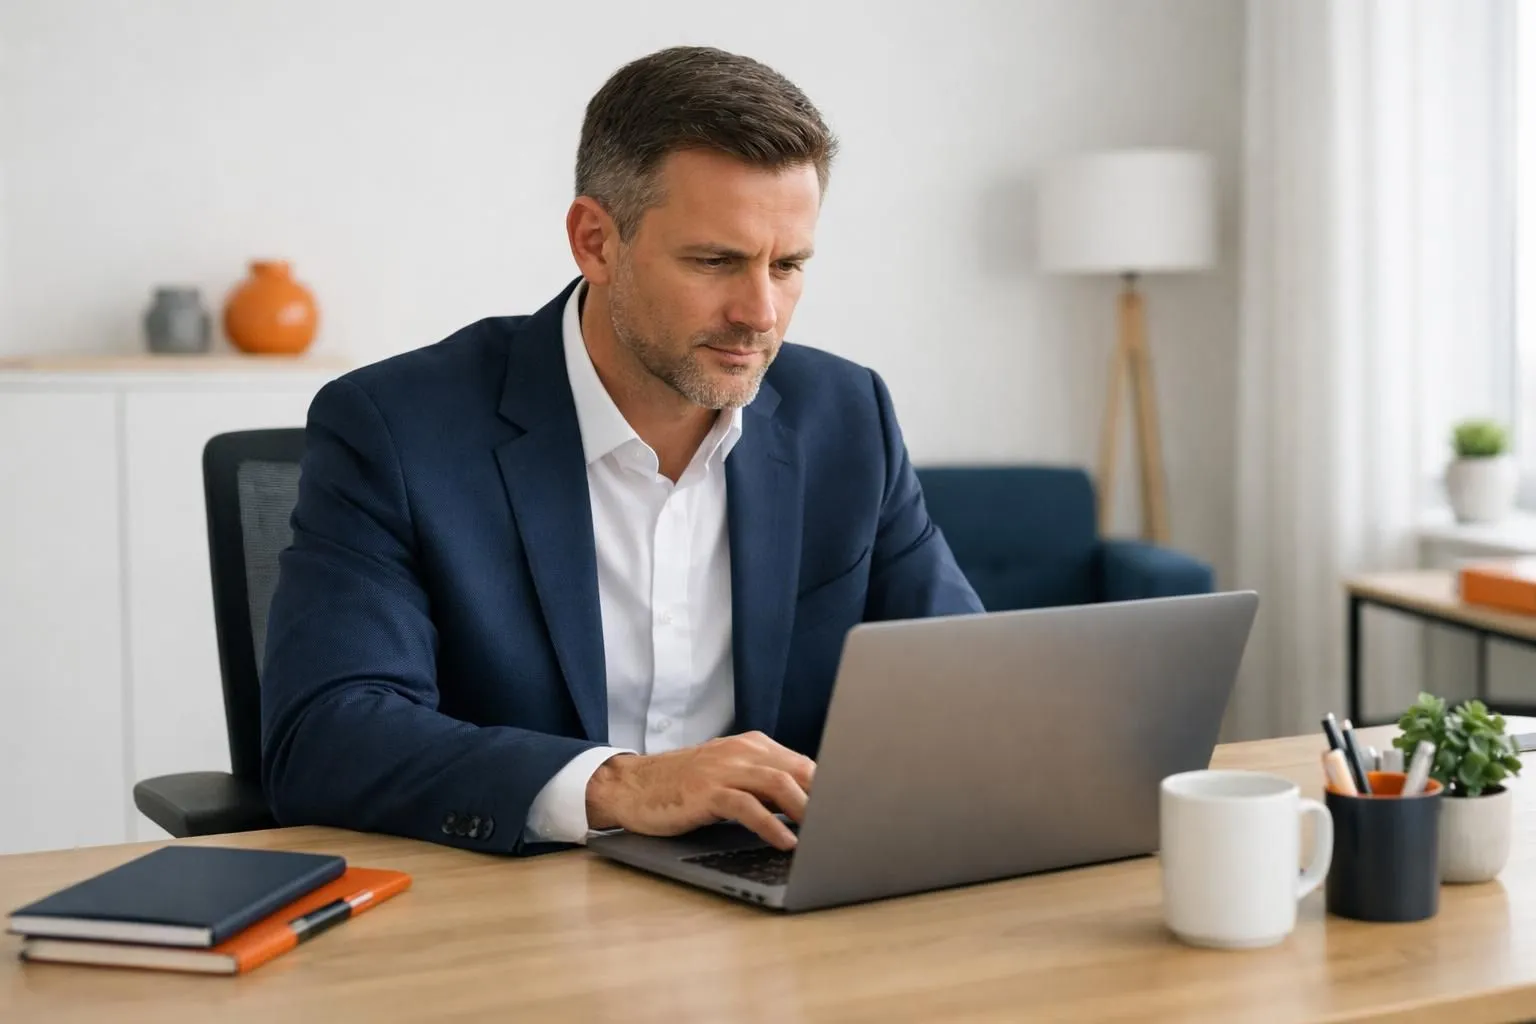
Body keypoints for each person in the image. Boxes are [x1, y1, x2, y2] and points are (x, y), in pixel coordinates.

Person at [260, 44, 983, 857]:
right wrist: (620, 784)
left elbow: (963, 687)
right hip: (514, 912)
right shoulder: (396, 428)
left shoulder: (848, 418)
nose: (761, 312)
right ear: (596, 242)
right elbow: (324, 735)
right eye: (717, 262)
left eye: (788, 266)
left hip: (777, 901)